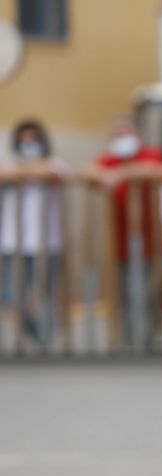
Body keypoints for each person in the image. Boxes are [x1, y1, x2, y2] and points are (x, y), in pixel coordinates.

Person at [89, 115, 162, 346]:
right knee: (123, 292)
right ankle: (128, 339)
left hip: (149, 238)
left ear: (137, 135)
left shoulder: (149, 154)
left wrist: (120, 174)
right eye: (118, 135)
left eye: (126, 133)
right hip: (119, 239)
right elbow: (89, 171)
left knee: (148, 291)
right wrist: (107, 174)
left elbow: (154, 169)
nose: (122, 138)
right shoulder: (109, 159)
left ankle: (151, 339)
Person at [0, 119, 69, 347]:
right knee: (10, 294)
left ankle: (46, 341)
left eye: (33, 139)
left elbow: (55, 174)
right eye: (24, 140)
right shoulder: (8, 163)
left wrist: (25, 172)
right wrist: (26, 171)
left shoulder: (55, 162)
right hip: (13, 242)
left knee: (45, 293)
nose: (29, 144)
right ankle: (36, 333)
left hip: (47, 242)